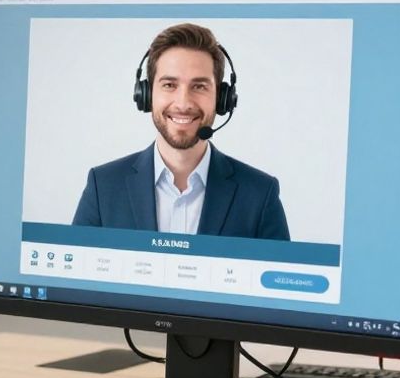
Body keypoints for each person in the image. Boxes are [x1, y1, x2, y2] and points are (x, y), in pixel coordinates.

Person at [71, 23, 289, 240]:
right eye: (169, 85)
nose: (183, 103)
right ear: (146, 95)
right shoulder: (103, 186)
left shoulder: (260, 194)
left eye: (199, 86)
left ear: (222, 98)